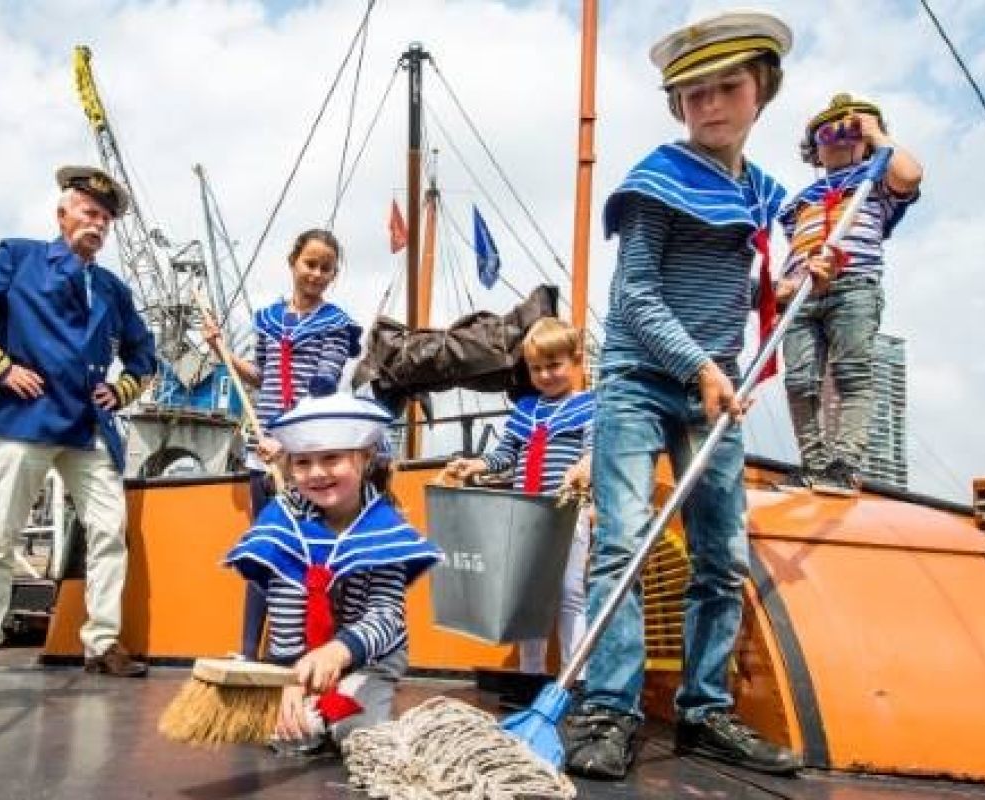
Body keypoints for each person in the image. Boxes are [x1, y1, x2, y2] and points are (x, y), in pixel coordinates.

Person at [562, 11, 805, 780]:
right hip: (639, 380)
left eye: (725, 87)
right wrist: (700, 365)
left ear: (760, 91)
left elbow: (768, 276)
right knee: (622, 544)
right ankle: (608, 709)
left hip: (712, 392)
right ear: (676, 106)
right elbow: (633, 297)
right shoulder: (654, 181)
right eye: (691, 93)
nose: (708, 105)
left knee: (719, 554)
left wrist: (800, 277)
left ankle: (704, 712)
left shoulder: (767, 195)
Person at [0, 166, 156, 682]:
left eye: (106, 218)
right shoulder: (18, 258)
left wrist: (122, 389)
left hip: (87, 424)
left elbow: (143, 355)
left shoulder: (111, 288)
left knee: (108, 531)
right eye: (89, 212)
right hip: (26, 417)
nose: (98, 224)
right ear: (61, 214)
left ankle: (102, 641)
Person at [223, 388, 442, 755]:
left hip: (368, 657)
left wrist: (338, 653)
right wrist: (291, 679)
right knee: (292, 737)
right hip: (302, 658)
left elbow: (386, 616)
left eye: (332, 458)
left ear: (365, 457)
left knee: (357, 733)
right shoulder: (283, 521)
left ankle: (352, 705)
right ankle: (312, 711)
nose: (317, 473)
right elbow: (285, 610)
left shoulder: (383, 526)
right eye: (303, 462)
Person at [200, 229, 361, 660]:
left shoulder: (337, 325)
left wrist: (289, 446)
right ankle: (248, 652)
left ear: (334, 274)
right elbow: (262, 375)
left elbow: (322, 386)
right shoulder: (267, 319)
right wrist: (222, 354)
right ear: (293, 262)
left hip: (306, 452)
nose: (317, 273)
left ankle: (316, 649)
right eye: (310, 263)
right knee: (265, 545)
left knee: (314, 548)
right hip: (262, 448)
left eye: (326, 267)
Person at [775, 93, 924, 496]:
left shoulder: (876, 182)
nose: (839, 138)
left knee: (852, 373)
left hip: (854, 284)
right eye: (828, 132)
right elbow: (794, 249)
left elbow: (909, 176)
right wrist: (786, 286)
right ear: (814, 148)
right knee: (799, 379)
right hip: (803, 292)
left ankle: (844, 464)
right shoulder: (799, 201)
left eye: (850, 130)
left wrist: (875, 133)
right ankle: (813, 463)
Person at [444, 317, 594, 678]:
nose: (545, 375)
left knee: (570, 591)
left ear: (577, 361)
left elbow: (593, 450)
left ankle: (578, 677)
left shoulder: (589, 405)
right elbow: (505, 455)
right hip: (525, 514)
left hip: (565, 510)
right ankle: (531, 676)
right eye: (537, 368)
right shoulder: (526, 410)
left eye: (554, 365)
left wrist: (584, 467)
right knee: (530, 598)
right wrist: (476, 464)